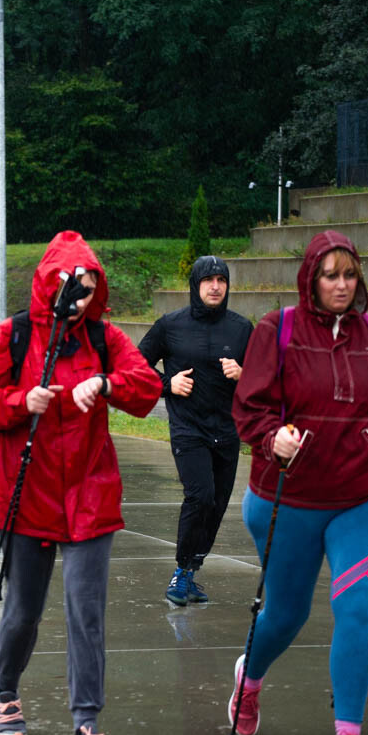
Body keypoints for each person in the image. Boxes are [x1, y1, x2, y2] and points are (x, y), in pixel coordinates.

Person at [226, 230, 368, 735]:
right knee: (285, 615)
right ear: (311, 279)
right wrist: (271, 437)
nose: (341, 285)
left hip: (363, 497)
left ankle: (347, 731)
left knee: (354, 606)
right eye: (330, 275)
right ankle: (249, 681)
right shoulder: (277, 329)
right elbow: (248, 406)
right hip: (287, 496)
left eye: (349, 275)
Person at [0, 231, 161, 735]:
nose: (81, 299)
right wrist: (20, 402)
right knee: (23, 612)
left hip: (90, 494)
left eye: (90, 290)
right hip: (28, 496)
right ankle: (5, 689)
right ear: (48, 283)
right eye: (73, 287)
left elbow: (148, 389)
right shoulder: (14, 335)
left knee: (85, 614)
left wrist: (110, 384)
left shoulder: (104, 338)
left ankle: (86, 720)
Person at [138, 255, 252, 606]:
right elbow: (135, 365)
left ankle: (192, 569)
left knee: (217, 504)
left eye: (221, 280)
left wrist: (244, 374)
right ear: (195, 285)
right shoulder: (170, 325)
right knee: (200, 495)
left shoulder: (242, 328)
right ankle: (181, 573)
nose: (215, 286)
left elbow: (267, 380)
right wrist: (167, 384)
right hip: (188, 429)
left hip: (227, 430)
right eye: (208, 280)